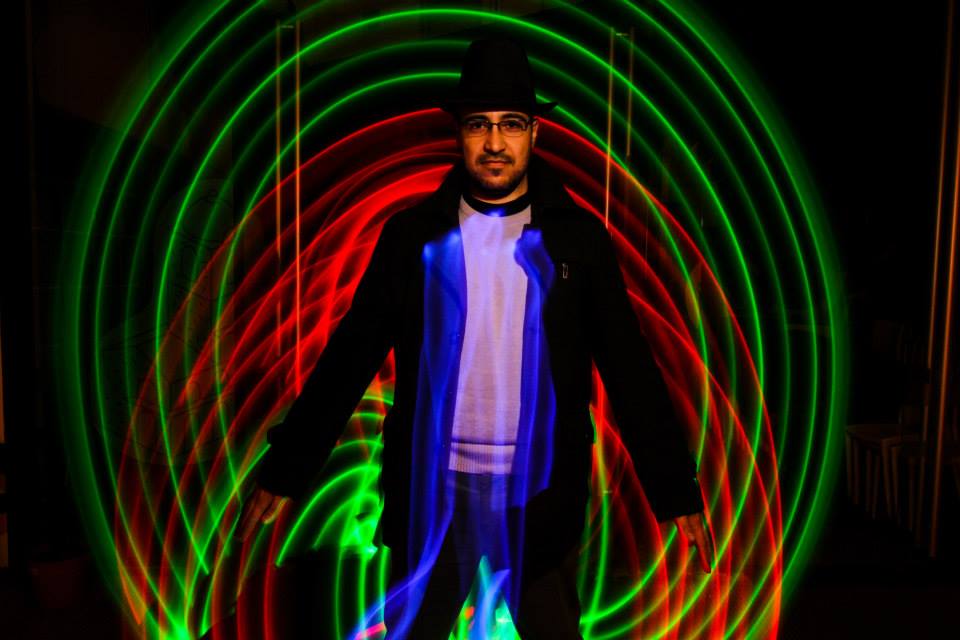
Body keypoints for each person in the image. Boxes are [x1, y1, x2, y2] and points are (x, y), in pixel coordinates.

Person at [238, 37, 713, 639]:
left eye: (510, 124)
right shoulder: (411, 237)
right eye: (478, 125)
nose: (494, 142)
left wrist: (673, 488)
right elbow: (351, 355)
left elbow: (629, 366)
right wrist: (288, 465)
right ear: (459, 134)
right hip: (434, 495)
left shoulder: (577, 241)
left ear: (534, 133)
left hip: (536, 497)